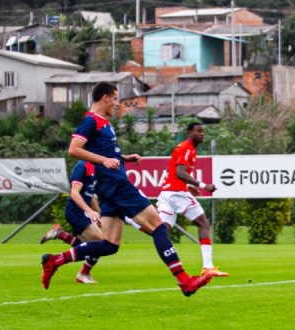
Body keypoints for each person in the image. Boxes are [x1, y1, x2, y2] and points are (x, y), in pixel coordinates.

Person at [40, 82, 217, 296]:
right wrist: (105, 160)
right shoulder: (91, 121)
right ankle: (184, 281)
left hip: (107, 189)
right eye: (115, 99)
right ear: (105, 98)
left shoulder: (104, 123)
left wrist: (123, 158)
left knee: (109, 245)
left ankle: (54, 260)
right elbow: (73, 150)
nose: (116, 104)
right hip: (117, 185)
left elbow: (102, 151)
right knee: (159, 228)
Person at [157, 122, 227, 277]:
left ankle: (135, 222)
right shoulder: (186, 148)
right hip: (176, 193)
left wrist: (189, 188)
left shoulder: (187, 148)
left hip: (166, 194)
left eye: (203, 131)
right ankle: (207, 267)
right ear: (189, 132)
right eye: (198, 131)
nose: (202, 134)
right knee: (203, 223)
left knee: (162, 232)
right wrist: (203, 185)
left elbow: (171, 170)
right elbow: (180, 173)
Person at [39, 160, 104, 284]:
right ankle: (81, 272)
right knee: (101, 244)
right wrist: (89, 210)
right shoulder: (82, 165)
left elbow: (90, 195)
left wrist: (98, 213)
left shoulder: (95, 167)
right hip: (76, 211)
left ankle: (60, 235)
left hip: (83, 212)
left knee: (88, 247)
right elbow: (74, 193)